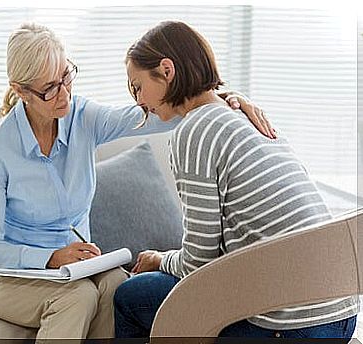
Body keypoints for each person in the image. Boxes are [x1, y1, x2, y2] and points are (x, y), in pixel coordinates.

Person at [0, 22, 272, 342]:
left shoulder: (82, 117)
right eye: (50, 88)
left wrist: (225, 100)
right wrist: (51, 258)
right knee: (76, 298)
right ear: (21, 90)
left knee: (116, 286)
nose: (64, 94)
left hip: (70, 270)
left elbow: (158, 111)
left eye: (66, 76)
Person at [114, 20, 358, 340]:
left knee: (129, 297)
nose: (138, 101)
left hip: (290, 324)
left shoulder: (193, 131)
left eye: (137, 86)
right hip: (342, 312)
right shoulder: (246, 115)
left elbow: (198, 263)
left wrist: (160, 259)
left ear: (166, 70)